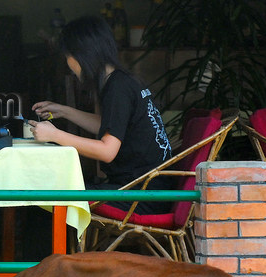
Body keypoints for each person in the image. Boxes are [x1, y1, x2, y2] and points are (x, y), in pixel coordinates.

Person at [29, 15, 173, 214]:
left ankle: (67, 247)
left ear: (82, 54)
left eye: (68, 56)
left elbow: (107, 151)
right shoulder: (122, 80)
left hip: (141, 195)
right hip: (151, 189)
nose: (68, 64)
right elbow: (108, 126)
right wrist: (64, 111)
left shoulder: (117, 88)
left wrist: (55, 136)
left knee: (59, 195)